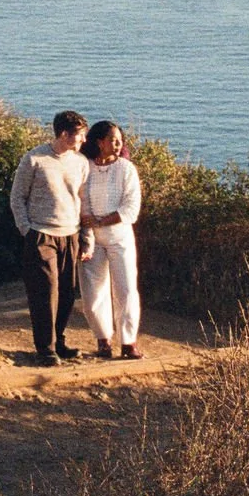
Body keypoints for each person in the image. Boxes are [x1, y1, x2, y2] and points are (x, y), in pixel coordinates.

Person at [10, 110, 90, 365]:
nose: (84, 140)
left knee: (67, 293)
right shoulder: (34, 159)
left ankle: (59, 342)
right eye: (80, 135)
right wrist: (27, 229)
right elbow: (17, 197)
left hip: (71, 234)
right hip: (42, 235)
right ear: (64, 134)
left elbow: (84, 202)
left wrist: (86, 237)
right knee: (46, 292)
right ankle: (45, 349)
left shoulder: (81, 163)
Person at [78, 120, 143, 360]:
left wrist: (101, 221)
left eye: (120, 141)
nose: (118, 145)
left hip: (120, 238)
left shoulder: (126, 169)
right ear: (99, 142)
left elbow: (131, 208)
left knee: (126, 290)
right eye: (113, 140)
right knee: (93, 293)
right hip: (92, 239)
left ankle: (128, 343)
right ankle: (103, 340)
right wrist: (89, 226)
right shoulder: (85, 167)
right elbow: (82, 201)